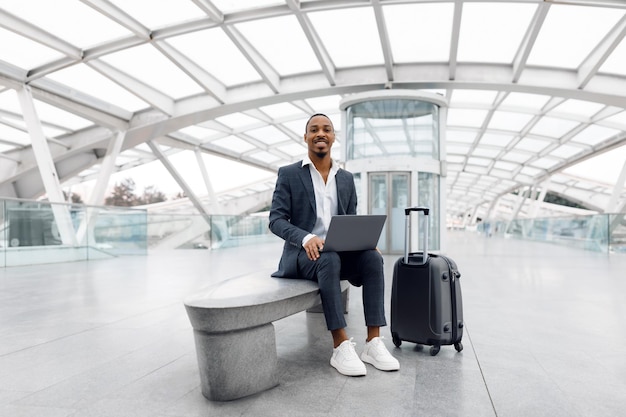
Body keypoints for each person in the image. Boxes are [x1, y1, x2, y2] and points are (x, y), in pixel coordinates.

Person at [269, 113, 400, 376]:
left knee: (373, 258)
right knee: (327, 258)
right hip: (303, 256)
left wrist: (364, 242)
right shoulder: (289, 174)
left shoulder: (346, 178)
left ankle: (373, 342)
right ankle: (340, 345)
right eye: (314, 129)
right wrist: (307, 238)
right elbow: (275, 220)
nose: (321, 133)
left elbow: (349, 219)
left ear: (333, 137)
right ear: (305, 137)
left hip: (339, 253)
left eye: (326, 129)